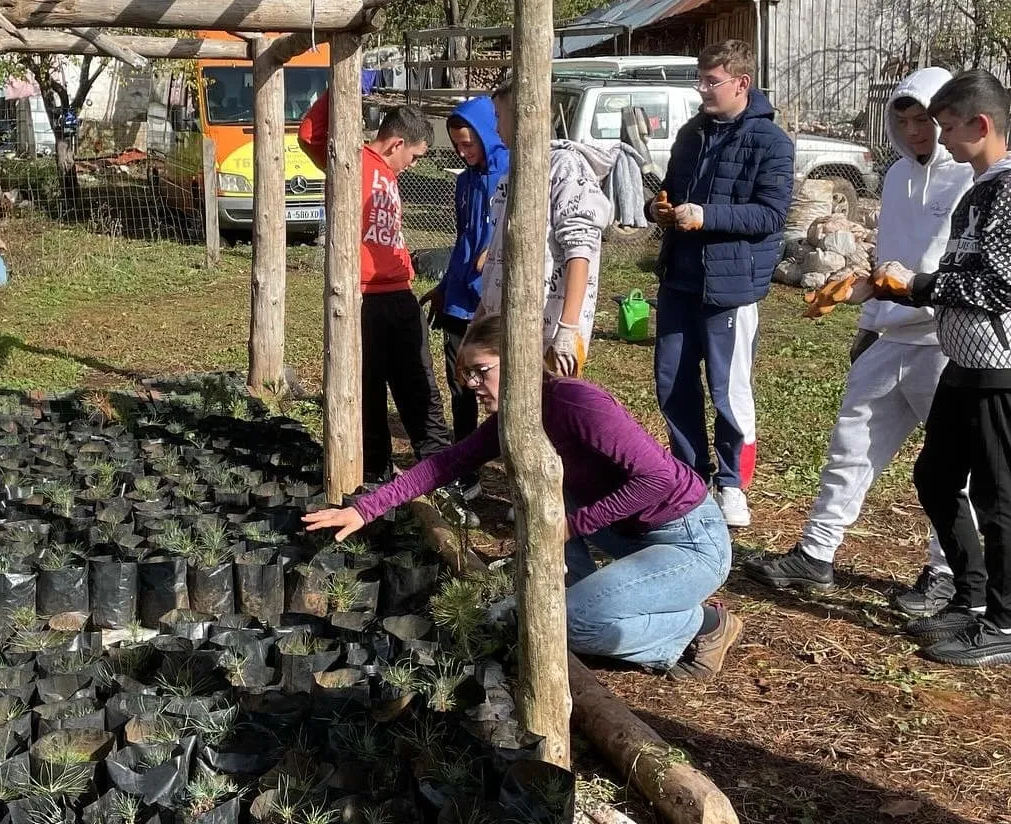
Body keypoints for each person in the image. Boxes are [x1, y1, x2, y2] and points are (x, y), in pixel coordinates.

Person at [303, 315, 740, 679]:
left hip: (686, 537)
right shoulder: (516, 417)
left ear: (519, 361)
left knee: (564, 624)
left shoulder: (576, 402)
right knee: (548, 588)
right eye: (465, 373)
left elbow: (658, 480)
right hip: (624, 533)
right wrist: (364, 510)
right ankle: (577, 592)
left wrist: (570, 526)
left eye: (482, 370)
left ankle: (705, 623)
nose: (472, 381)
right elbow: (445, 464)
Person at [745, 68, 978, 616]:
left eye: (924, 119)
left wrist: (896, 294)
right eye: (904, 120)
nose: (915, 130)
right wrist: (865, 311)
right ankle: (816, 552)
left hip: (944, 339)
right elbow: (892, 257)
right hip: (892, 333)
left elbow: (941, 266)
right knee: (850, 446)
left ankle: (945, 574)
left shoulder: (968, 178)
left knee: (952, 469)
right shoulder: (897, 176)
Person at [872, 69, 1011, 667]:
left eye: (949, 128)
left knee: (998, 492)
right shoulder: (979, 187)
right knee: (935, 475)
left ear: (981, 126)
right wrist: (893, 292)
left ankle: (1004, 621)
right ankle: (971, 594)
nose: (942, 139)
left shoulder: (1006, 191)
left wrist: (919, 284)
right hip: (962, 356)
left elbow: (1000, 284)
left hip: (998, 363)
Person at [650, 40, 793, 529]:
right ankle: (690, 477)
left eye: (711, 81)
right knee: (672, 382)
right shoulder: (692, 134)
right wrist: (661, 210)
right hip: (680, 280)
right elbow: (671, 188)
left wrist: (706, 216)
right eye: (701, 79)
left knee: (729, 390)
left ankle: (733, 484)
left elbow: (770, 215)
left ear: (741, 83)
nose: (702, 89)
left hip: (730, 286)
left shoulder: (770, 142)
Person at [299, 95, 452, 485]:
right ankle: (374, 472)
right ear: (396, 144)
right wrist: (342, 87)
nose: (412, 165)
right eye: (414, 156)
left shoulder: (389, 173)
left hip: (400, 292)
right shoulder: (352, 162)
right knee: (367, 389)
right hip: (365, 297)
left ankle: (439, 471)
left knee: (419, 386)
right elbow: (308, 135)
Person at [478, 84, 613, 379]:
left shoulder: (566, 166)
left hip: (548, 326)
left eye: (499, 116)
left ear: (522, 116)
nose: (496, 126)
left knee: (550, 408)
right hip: (507, 322)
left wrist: (568, 327)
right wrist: (481, 316)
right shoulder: (511, 172)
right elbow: (500, 249)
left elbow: (580, 247)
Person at [422, 97, 508, 484]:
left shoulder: (512, 171)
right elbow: (462, 241)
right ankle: (466, 470)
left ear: (487, 135)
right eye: (456, 144)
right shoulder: (463, 181)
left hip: (494, 302)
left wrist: (495, 251)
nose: (462, 150)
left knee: (500, 387)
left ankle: (510, 465)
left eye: (468, 143)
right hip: (459, 302)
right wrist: (444, 287)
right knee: (461, 387)